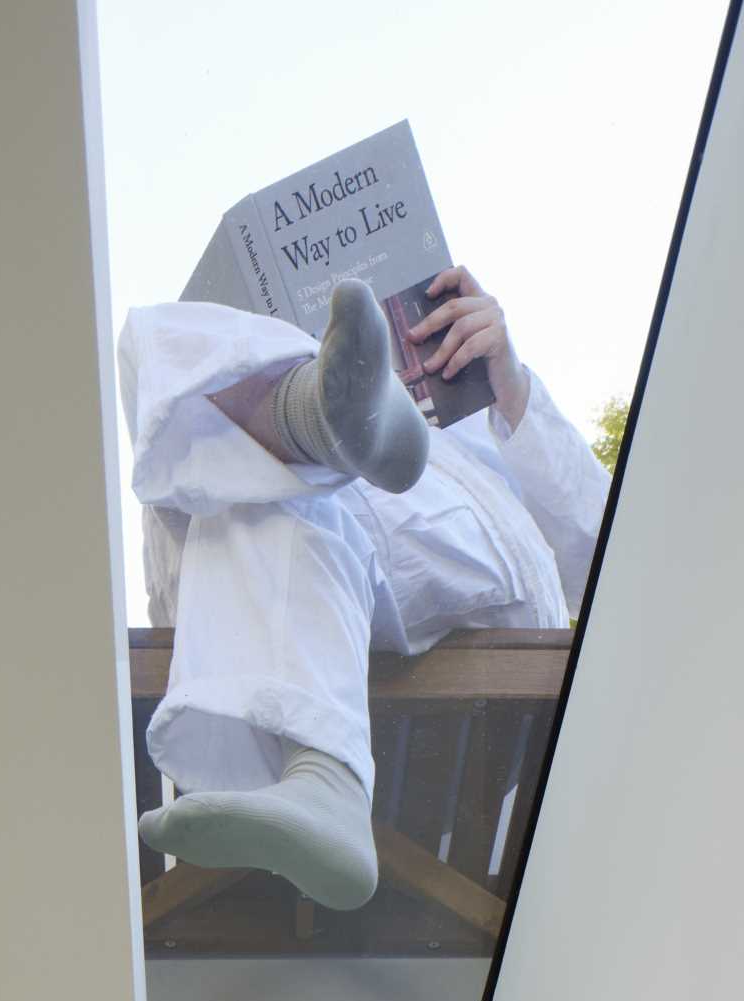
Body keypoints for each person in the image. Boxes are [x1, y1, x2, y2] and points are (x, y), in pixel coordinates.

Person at [120, 270, 609, 910]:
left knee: (221, 474)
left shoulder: (475, 410)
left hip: (483, 575)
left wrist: (510, 387)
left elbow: (604, 556)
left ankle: (316, 421)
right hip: (335, 584)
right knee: (148, 341)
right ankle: (324, 782)